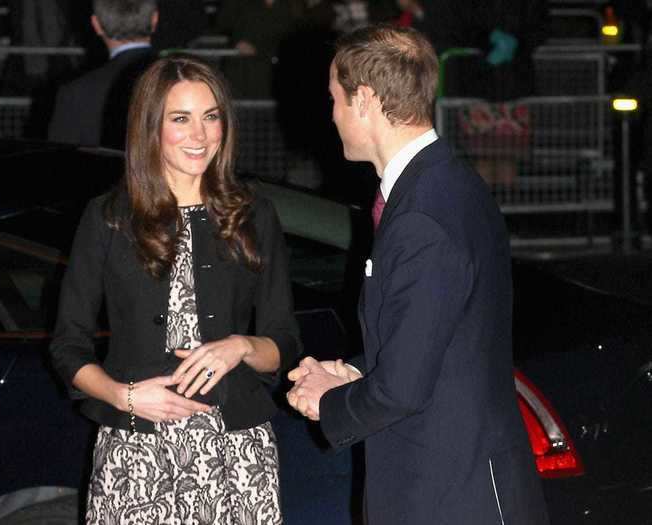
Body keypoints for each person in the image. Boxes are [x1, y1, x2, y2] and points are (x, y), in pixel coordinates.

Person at [286, 25, 549, 525]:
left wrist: (330, 401)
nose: (332, 114)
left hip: (451, 495)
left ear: (364, 100)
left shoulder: (423, 213)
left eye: (335, 99)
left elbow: (404, 389)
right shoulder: (440, 181)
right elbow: (435, 335)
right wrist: (357, 371)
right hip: (451, 484)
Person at [49, 54, 301, 524]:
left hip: (235, 456)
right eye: (180, 119)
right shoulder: (108, 217)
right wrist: (125, 396)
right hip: (135, 453)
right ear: (150, 126)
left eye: (211, 117)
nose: (200, 135)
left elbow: (282, 343)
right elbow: (67, 346)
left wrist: (240, 347)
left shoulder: (253, 215)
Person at [48, 0, 159, 149]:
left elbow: (57, 160)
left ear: (96, 25)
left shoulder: (76, 93)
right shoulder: (184, 80)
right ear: (154, 19)